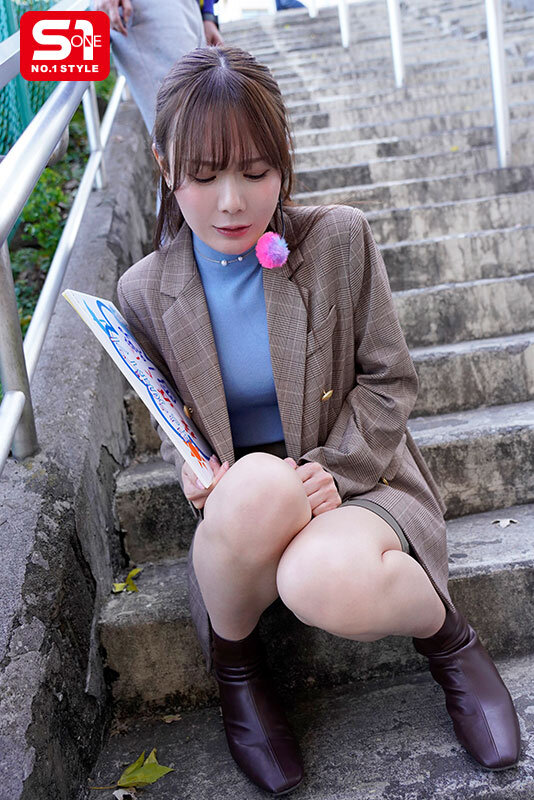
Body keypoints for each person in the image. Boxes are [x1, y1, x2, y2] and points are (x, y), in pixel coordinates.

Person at [117, 44, 521, 796]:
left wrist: (334, 469)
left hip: (359, 478)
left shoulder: (338, 240)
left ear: (284, 161)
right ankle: (239, 674)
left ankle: (451, 641)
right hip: (246, 500)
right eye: (204, 175)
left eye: (256, 172)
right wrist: (194, 469)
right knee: (257, 489)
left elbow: (390, 379)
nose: (232, 202)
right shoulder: (144, 291)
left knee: (319, 577)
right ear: (165, 166)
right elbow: (172, 418)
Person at [92, 0, 223, 132]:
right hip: (147, 11)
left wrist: (208, 14)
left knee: (209, 120)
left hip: (191, 8)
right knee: (186, 127)